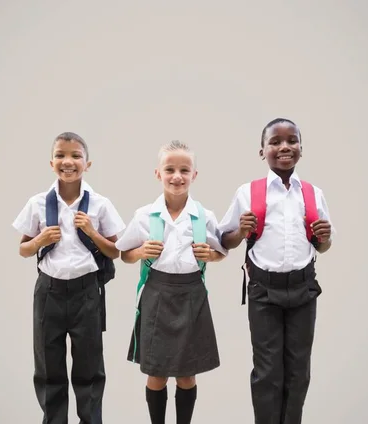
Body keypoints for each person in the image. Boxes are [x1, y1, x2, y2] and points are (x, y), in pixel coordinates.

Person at [218, 118, 335, 424]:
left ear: (301, 148)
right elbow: (225, 241)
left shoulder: (312, 193)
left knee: (298, 371)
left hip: (304, 289)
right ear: (262, 151)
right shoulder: (248, 192)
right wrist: (241, 231)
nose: (284, 147)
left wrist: (324, 237)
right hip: (263, 291)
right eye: (275, 142)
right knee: (268, 371)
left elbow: (322, 246)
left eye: (292, 140)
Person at [12, 132, 125, 424]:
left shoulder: (99, 204)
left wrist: (91, 231)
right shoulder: (38, 203)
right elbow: (23, 249)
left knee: (89, 367)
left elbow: (115, 251)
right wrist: (39, 241)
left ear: (88, 164)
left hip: (86, 292)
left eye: (76, 155)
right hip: (48, 291)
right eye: (61, 155)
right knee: (49, 367)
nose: (68, 161)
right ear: (51, 163)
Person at [115, 140, 227, 424]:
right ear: (158, 173)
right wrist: (141, 252)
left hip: (192, 295)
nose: (177, 176)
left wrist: (210, 256)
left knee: (187, 372)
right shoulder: (145, 216)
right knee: (157, 372)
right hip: (157, 294)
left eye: (184, 170)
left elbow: (221, 252)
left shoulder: (204, 216)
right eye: (170, 169)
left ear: (194, 175)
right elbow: (123, 254)